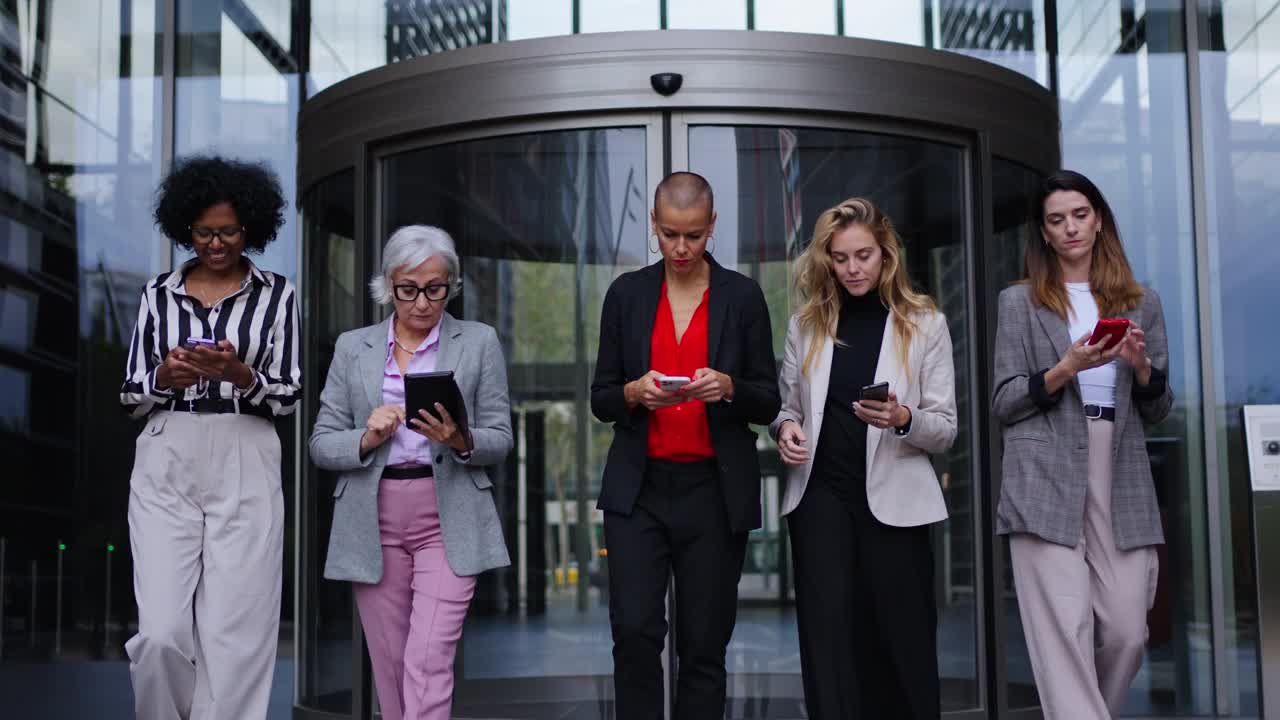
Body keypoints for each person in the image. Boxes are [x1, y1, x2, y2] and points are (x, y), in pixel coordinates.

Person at [591, 171, 780, 719]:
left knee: (704, 647)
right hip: (639, 490)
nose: (680, 247)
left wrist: (729, 388)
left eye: (693, 235)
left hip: (714, 493)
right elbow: (601, 398)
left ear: (712, 226)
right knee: (633, 634)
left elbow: (767, 402)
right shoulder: (625, 295)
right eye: (670, 234)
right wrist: (632, 392)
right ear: (654, 224)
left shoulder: (742, 296)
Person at [119, 155, 299, 720]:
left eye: (228, 231)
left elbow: (289, 393)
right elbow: (129, 392)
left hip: (247, 445)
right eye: (203, 232)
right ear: (184, 228)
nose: (216, 243)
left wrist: (242, 376)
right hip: (168, 447)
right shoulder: (157, 294)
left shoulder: (278, 295)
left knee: (235, 635)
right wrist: (163, 378)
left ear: (251, 227)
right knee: (160, 633)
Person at [309, 225, 512, 720]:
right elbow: (320, 443)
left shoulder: (479, 342)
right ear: (388, 285)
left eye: (435, 288)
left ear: (452, 285)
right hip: (372, 518)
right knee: (392, 663)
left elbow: (501, 437)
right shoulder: (353, 346)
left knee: (428, 657)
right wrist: (365, 437)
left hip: (448, 515)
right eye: (408, 289)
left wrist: (461, 439)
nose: (422, 302)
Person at [993, 170, 1172, 719]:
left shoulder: (1142, 302)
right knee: (1064, 628)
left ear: (1098, 222)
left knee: (1126, 631)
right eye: (1056, 220)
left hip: (1118, 465)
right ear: (1044, 234)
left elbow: (1158, 406)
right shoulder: (1019, 303)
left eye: (1079, 215)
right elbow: (1003, 401)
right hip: (1043, 463)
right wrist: (1065, 367)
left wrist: (1140, 367)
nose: (1070, 228)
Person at [769, 197, 957, 718]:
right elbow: (788, 408)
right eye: (840, 256)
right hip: (820, 503)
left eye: (864, 255)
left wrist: (902, 419)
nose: (852, 268)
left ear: (886, 254)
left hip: (896, 506)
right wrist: (784, 429)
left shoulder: (924, 324)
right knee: (828, 650)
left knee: (904, 646)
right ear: (826, 259)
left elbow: (945, 429)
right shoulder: (805, 326)